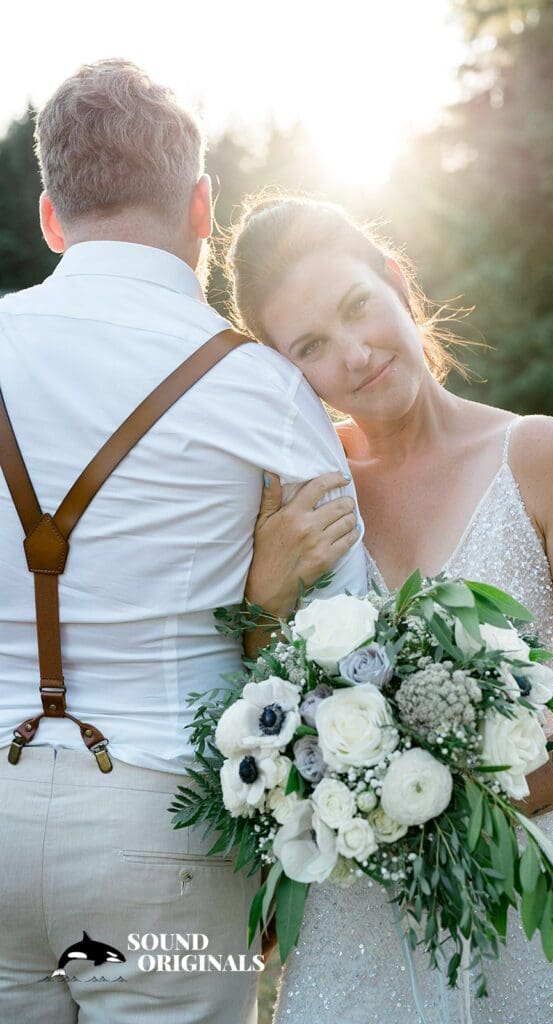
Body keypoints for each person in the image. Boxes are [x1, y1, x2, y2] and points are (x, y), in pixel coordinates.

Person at [227, 193, 553, 1024]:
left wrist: (457, 817)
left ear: (397, 281)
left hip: (509, 889)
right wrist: (264, 593)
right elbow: (261, 696)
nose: (355, 354)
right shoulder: (300, 496)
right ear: (290, 373)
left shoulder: (534, 454)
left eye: (358, 306)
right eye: (312, 346)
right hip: (345, 910)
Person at [0, 64, 365, 1024]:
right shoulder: (257, 384)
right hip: (168, 830)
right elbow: (351, 630)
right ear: (203, 206)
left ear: (50, 217)